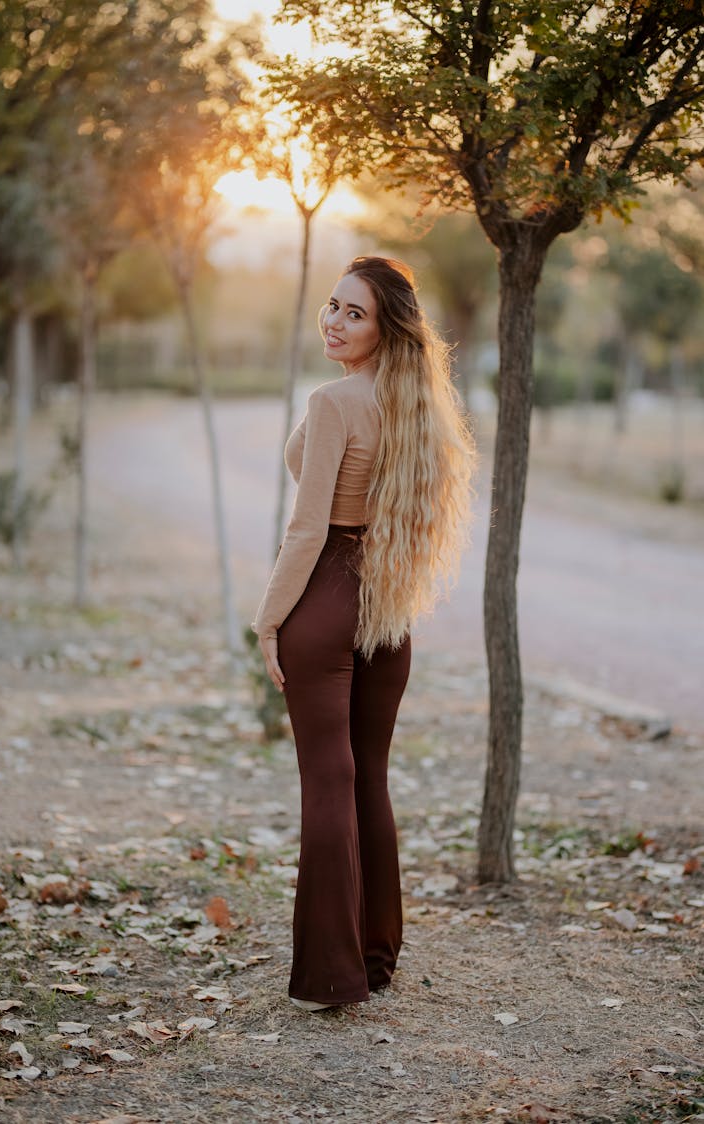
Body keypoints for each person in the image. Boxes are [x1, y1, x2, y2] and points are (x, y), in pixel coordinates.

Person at [253, 255, 475, 1012]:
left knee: (330, 782)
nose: (334, 321)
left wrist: (268, 619)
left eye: (355, 314)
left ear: (386, 330)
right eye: (332, 306)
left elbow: (307, 528)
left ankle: (331, 977)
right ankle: (376, 958)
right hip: (386, 609)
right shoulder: (417, 409)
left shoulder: (333, 403)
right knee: (368, 779)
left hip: (325, 601)